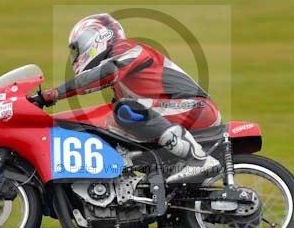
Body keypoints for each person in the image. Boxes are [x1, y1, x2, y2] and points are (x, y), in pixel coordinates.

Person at [35, 14, 222, 184]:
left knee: (126, 109)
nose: (75, 57)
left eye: (77, 48)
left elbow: (106, 72)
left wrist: (54, 93)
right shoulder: (121, 84)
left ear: (99, 36)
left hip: (195, 106)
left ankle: (198, 158)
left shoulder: (125, 48)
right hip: (175, 111)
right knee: (114, 124)